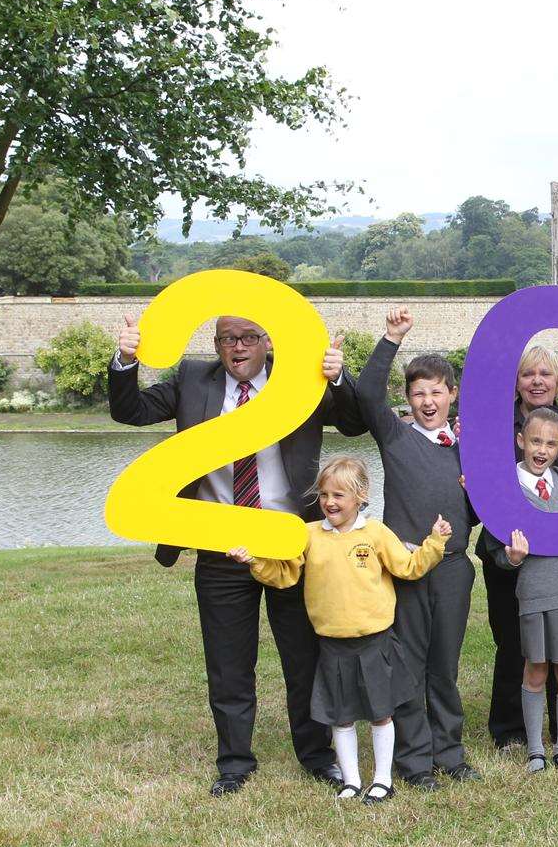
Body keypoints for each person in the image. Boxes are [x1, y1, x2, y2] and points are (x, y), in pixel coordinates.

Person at [107, 313, 365, 796]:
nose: (238, 347)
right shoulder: (191, 378)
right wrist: (125, 360)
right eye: (228, 339)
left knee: (304, 658)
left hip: (290, 547)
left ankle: (315, 756)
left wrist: (339, 378)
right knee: (228, 661)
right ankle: (234, 763)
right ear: (217, 345)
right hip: (222, 545)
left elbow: (354, 422)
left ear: (268, 341)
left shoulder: (301, 377)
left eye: (248, 337)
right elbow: (131, 411)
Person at [228, 456, 450, 804]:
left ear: (361, 496)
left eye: (339, 496)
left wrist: (434, 544)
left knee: (381, 713)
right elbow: (284, 575)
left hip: (375, 642)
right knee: (340, 717)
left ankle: (381, 780)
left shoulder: (375, 533)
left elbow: (408, 567)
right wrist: (254, 561)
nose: (329, 502)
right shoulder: (309, 534)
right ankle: (350, 780)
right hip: (331, 645)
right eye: (324, 495)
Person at [354, 309, 480, 789]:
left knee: (444, 665)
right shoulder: (396, 436)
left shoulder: (469, 447)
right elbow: (366, 394)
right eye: (418, 393)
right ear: (407, 399)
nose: (428, 401)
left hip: (452, 569)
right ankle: (414, 760)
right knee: (408, 663)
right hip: (406, 569)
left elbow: (485, 509)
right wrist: (390, 339)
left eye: (437, 392)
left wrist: (476, 493)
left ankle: (450, 751)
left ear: (452, 395)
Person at [474, 344, 558, 751]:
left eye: (546, 373)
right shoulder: (491, 424)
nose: (537, 381)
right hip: (512, 555)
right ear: (516, 381)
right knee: (515, 642)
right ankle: (511, 731)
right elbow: (479, 479)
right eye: (528, 373)